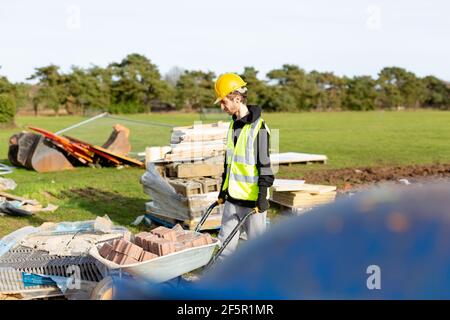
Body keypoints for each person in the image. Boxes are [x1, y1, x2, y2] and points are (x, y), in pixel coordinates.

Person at [213, 73, 274, 261]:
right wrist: (223, 191)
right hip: (232, 199)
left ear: (237, 99)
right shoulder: (233, 126)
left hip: (252, 202)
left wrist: (262, 198)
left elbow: (265, 167)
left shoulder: (259, 129)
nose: (222, 107)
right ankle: (219, 282)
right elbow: (229, 163)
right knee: (224, 247)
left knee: (257, 251)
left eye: (224, 102)